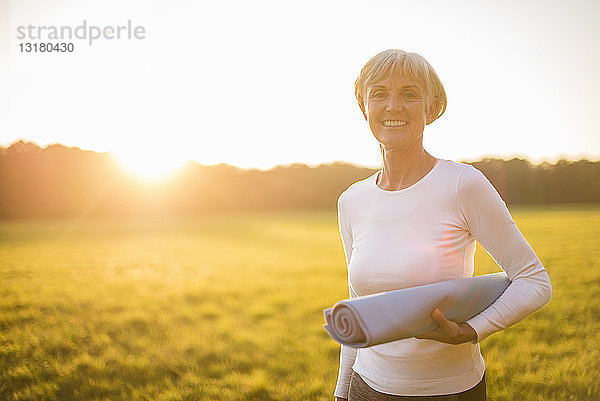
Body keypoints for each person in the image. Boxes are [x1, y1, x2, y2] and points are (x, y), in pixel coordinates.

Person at [333, 49, 552, 401]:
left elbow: (534, 281)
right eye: (379, 94)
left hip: (449, 391)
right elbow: (358, 305)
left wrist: (470, 330)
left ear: (431, 108)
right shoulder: (351, 201)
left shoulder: (463, 184)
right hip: (366, 387)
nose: (393, 106)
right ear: (364, 108)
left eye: (409, 94)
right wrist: (343, 391)